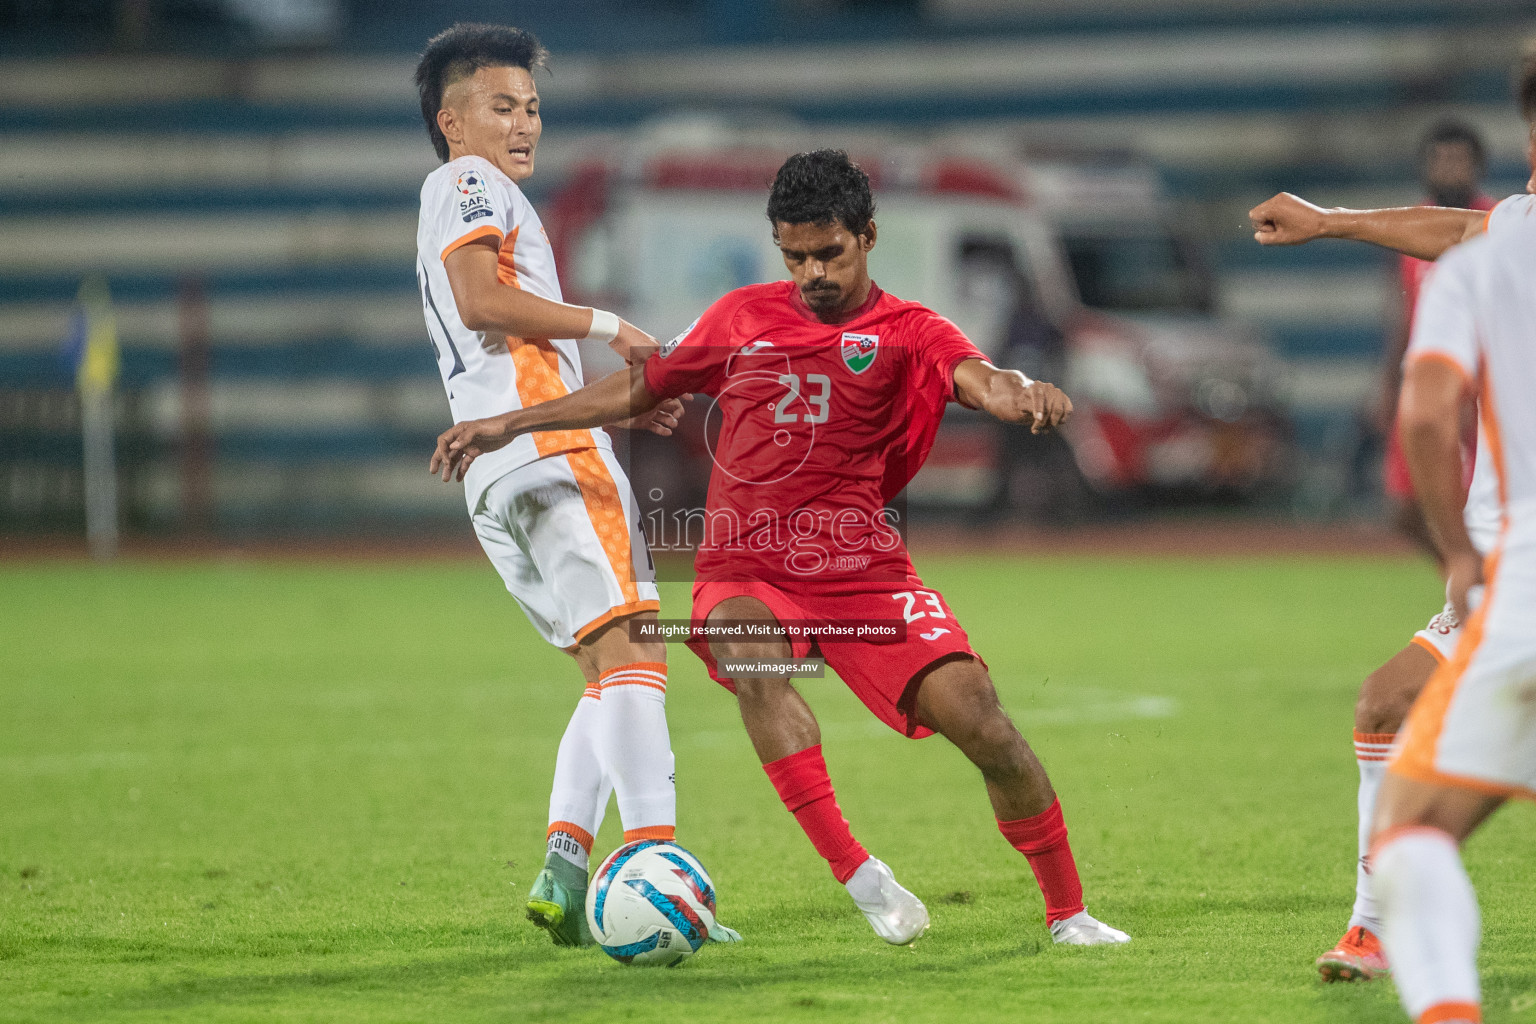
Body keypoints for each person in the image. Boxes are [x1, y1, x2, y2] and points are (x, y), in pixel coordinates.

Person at [433, 150, 1131, 947]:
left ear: (867, 236)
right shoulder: (740, 317)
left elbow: (980, 377)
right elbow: (644, 384)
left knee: (985, 724)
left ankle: (1068, 912)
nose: (810, 273)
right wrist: (513, 421)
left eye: (828, 253)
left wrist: (1024, 394)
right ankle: (860, 874)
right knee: (750, 658)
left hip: (863, 570)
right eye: (794, 256)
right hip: (745, 567)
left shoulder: (909, 330)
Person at [1249, 50, 1536, 1021]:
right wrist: (1331, 220)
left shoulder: (1494, 252)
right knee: (1386, 704)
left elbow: (1424, 416)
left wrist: (1452, 543)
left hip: (1509, 572)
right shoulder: (1505, 233)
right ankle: (1372, 931)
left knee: (1423, 821)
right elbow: (1454, 226)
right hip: (1510, 577)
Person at [412, 23, 709, 949]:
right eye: (502, 107)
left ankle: (567, 867)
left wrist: (619, 405)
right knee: (635, 658)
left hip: (508, 464)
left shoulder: (470, 193)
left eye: (532, 107)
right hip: (546, 457)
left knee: (608, 666)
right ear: (451, 121)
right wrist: (610, 322)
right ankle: (655, 877)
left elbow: (513, 349)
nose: (524, 123)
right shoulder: (469, 183)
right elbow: (481, 301)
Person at [1379, 121, 1495, 559]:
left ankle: (1483, 586)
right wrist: (1387, 384)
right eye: (1440, 160)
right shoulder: (1412, 228)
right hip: (1427, 379)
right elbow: (1402, 314)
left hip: (1484, 384)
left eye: (1458, 160)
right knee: (1405, 507)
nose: (1449, 170)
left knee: (1482, 499)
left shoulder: (1497, 225)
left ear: (1478, 167)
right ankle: (1465, 580)